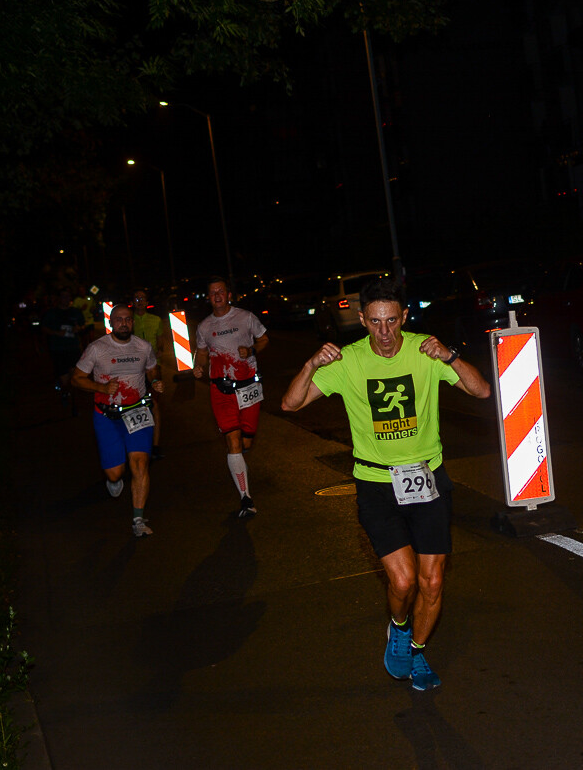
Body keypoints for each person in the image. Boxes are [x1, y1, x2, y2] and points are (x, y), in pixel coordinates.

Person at [281, 277, 491, 691]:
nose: (384, 332)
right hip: (376, 483)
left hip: (426, 478)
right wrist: (311, 365)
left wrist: (450, 357)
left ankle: (416, 651)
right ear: (361, 319)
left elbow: (481, 390)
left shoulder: (425, 350)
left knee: (432, 581)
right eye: (375, 322)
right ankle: (398, 625)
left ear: (404, 317)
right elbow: (291, 404)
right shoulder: (348, 360)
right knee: (403, 581)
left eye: (392, 321)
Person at [71, 303, 164, 538]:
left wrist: (154, 382)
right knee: (115, 473)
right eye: (119, 319)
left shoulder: (143, 346)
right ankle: (113, 480)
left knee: (140, 464)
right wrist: (101, 386)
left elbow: (152, 369)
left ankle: (138, 519)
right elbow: (77, 379)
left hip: (137, 413)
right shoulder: (97, 348)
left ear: (132, 322)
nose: (124, 323)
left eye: (128, 319)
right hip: (107, 416)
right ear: (111, 323)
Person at [192, 276, 269, 519]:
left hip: (248, 387)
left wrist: (252, 350)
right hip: (221, 389)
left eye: (221, 291)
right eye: (212, 292)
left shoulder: (245, 317)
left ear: (229, 295)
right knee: (232, 441)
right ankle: (246, 498)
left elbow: (264, 338)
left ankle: (239, 465)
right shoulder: (204, 327)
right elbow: (202, 354)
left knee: (245, 442)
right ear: (208, 298)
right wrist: (199, 366)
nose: (217, 296)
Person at [131, 288, 166, 460]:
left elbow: (161, 342)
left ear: (147, 301)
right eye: (137, 298)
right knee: (135, 406)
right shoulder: (128, 321)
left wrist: (159, 351)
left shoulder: (156, 320)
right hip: (134, 370)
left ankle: (156, 445)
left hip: (153, 368)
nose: (140, 301)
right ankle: (138, 443)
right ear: (133, 301)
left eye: (142, 298)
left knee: (155, 405)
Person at [40, 288, 86, 413]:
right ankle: (64, 392)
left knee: (74, 376)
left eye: (68, 296)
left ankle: (75, 403)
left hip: (74, 348)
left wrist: (79, 328)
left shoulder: (75, 312)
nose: (65, 299)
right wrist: (56, 333)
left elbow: (83, 325)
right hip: (58, 349)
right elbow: (43, 328)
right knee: (65, 379)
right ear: (59, 298)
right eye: (63, 296)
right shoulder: (52, 313)